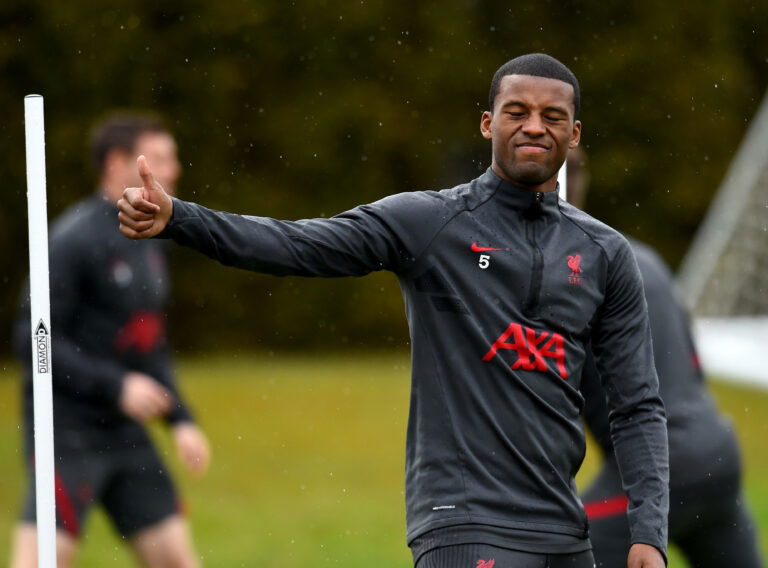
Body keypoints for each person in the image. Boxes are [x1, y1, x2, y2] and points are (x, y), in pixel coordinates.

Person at [118, 54, 669, 568]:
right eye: (516, 112)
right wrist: (180, 217)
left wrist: (648, 531)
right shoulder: (430, 223)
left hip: (564, 532)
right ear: (487, 123)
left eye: (553, 116)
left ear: (573, 135)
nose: (533, 126)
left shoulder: (605, 254)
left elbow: (636, 404)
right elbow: (297, 245)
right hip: (464, 521)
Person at [10, 113, 211, 568]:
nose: (174, 169)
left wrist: (179, 417)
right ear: (117, 163)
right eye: (160, 157)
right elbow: (32, 339)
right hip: (67, 431)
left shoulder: (151, 235)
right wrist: (116, 387)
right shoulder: (70, 241)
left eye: (173, 157)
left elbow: (148, 340)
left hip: (125, 434)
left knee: (178, 561)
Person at [566, 149, 764, 568]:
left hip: (661, 466)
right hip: (717, 455)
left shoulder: (567, 277)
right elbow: (690, 362)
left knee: (558, 550)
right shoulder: (644, 258)